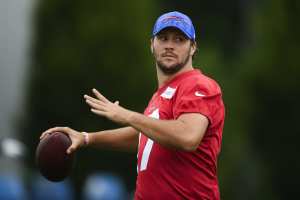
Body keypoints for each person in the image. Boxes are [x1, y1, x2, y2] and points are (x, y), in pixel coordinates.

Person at [41, 11, 225, 200]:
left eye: (179, 39)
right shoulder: (160, 95)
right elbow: (146, 137)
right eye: (163, 38)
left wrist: (128, 116)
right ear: (152, 45)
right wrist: (87, 138)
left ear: (193, 47)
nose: (170, 45)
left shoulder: (198, 84)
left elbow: (187, 136)